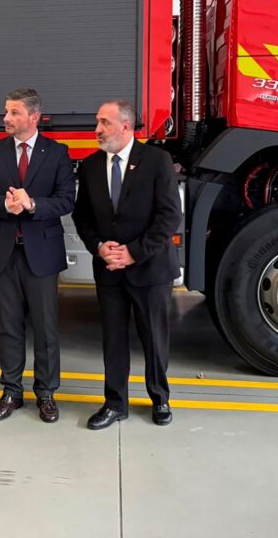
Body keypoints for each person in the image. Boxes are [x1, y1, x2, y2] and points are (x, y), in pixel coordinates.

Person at [72, 100, 182, 430]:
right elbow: (83, 216)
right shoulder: (90, 165)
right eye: (97, 122)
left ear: (125, 126)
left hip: (149, 267)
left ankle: (160, 398)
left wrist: (134, 252)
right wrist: (99, 247)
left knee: (154, 336)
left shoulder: (157, 161)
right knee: (114, 339)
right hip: (109, 269)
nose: (97, 129)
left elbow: (169, 216)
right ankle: (114, 402)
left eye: (104, 122)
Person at [0, 88, 74, 423]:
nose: (6, 118)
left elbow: (65, 201)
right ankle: (11, 391)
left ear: (33, 117)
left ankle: (45, 392)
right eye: (6, 112)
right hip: (3, 252)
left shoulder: (57, 153)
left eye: (14, 112)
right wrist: (5, 203)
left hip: (41, 253)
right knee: (9, 327)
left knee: (46, 328)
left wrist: (32, 204)